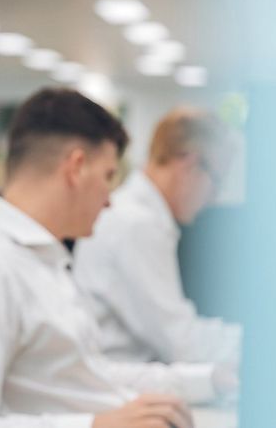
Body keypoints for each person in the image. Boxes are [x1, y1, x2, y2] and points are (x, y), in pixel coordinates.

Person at [0, 88, 228, 428]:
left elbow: (93, 374)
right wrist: (95, 426)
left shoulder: (45, 260)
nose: (110, 201)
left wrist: (209, 379)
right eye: (109, 176)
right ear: (76, 168)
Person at [73, 107, 242, 366]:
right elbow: (182, 345)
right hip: (125, 387)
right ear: (189, 163)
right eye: (217, 181)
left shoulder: (138, 216)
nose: (214, 197)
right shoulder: (137, 224)